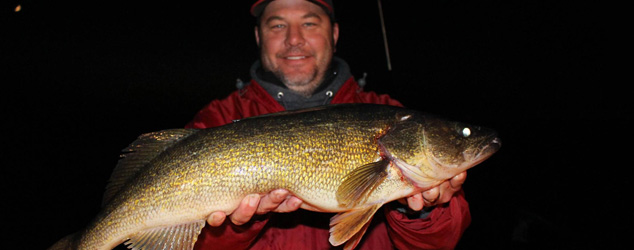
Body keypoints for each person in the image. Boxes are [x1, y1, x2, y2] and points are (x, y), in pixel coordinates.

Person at [185, 0, 470, 249]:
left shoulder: (393, 115)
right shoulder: (216, 120)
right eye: (277, 26)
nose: (294, 39)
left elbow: (441, 242)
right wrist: (237, 228)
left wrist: (422, 212)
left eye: (309, 23)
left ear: (334, 34)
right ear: (259, 36)